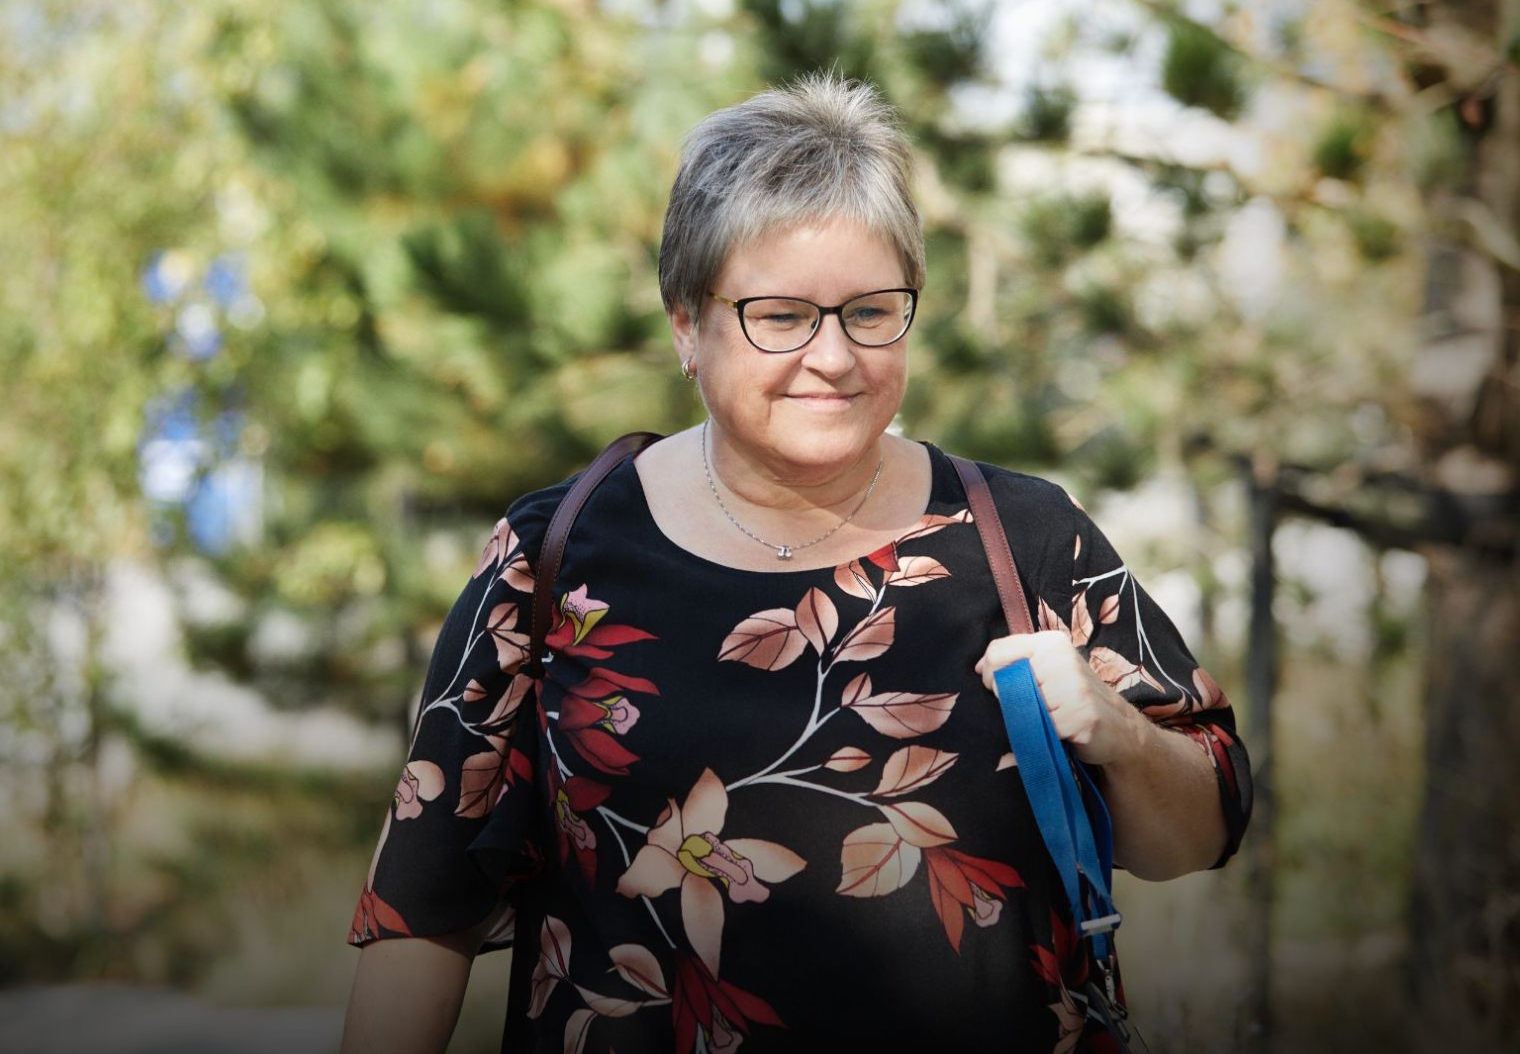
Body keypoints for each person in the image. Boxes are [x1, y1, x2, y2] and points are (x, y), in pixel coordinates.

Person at [339, 74, 1251, 1053]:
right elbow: (422, 909)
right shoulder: (554, 557)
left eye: (870, 311)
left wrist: (1121, 734)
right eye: (780, 316)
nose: (835, 357)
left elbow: (1201, 835)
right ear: (686, 325)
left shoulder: (1022, 539)